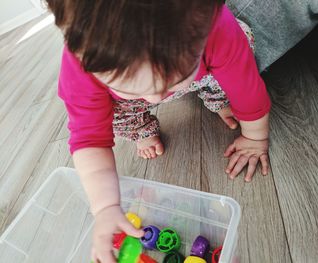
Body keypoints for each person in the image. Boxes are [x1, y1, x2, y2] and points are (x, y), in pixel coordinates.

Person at [45, 1, 270, 262]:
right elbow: (89, 139)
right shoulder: (80, 70)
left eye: (173, 80)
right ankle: (141, 127)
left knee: (242, 46)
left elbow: (246, 86)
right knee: (118, 114)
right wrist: (105, 207)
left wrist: (255, 136)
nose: (155, 99)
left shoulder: (216, 28)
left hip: (207, 67)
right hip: (125, 104)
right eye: (134, 87)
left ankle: (217, 98)